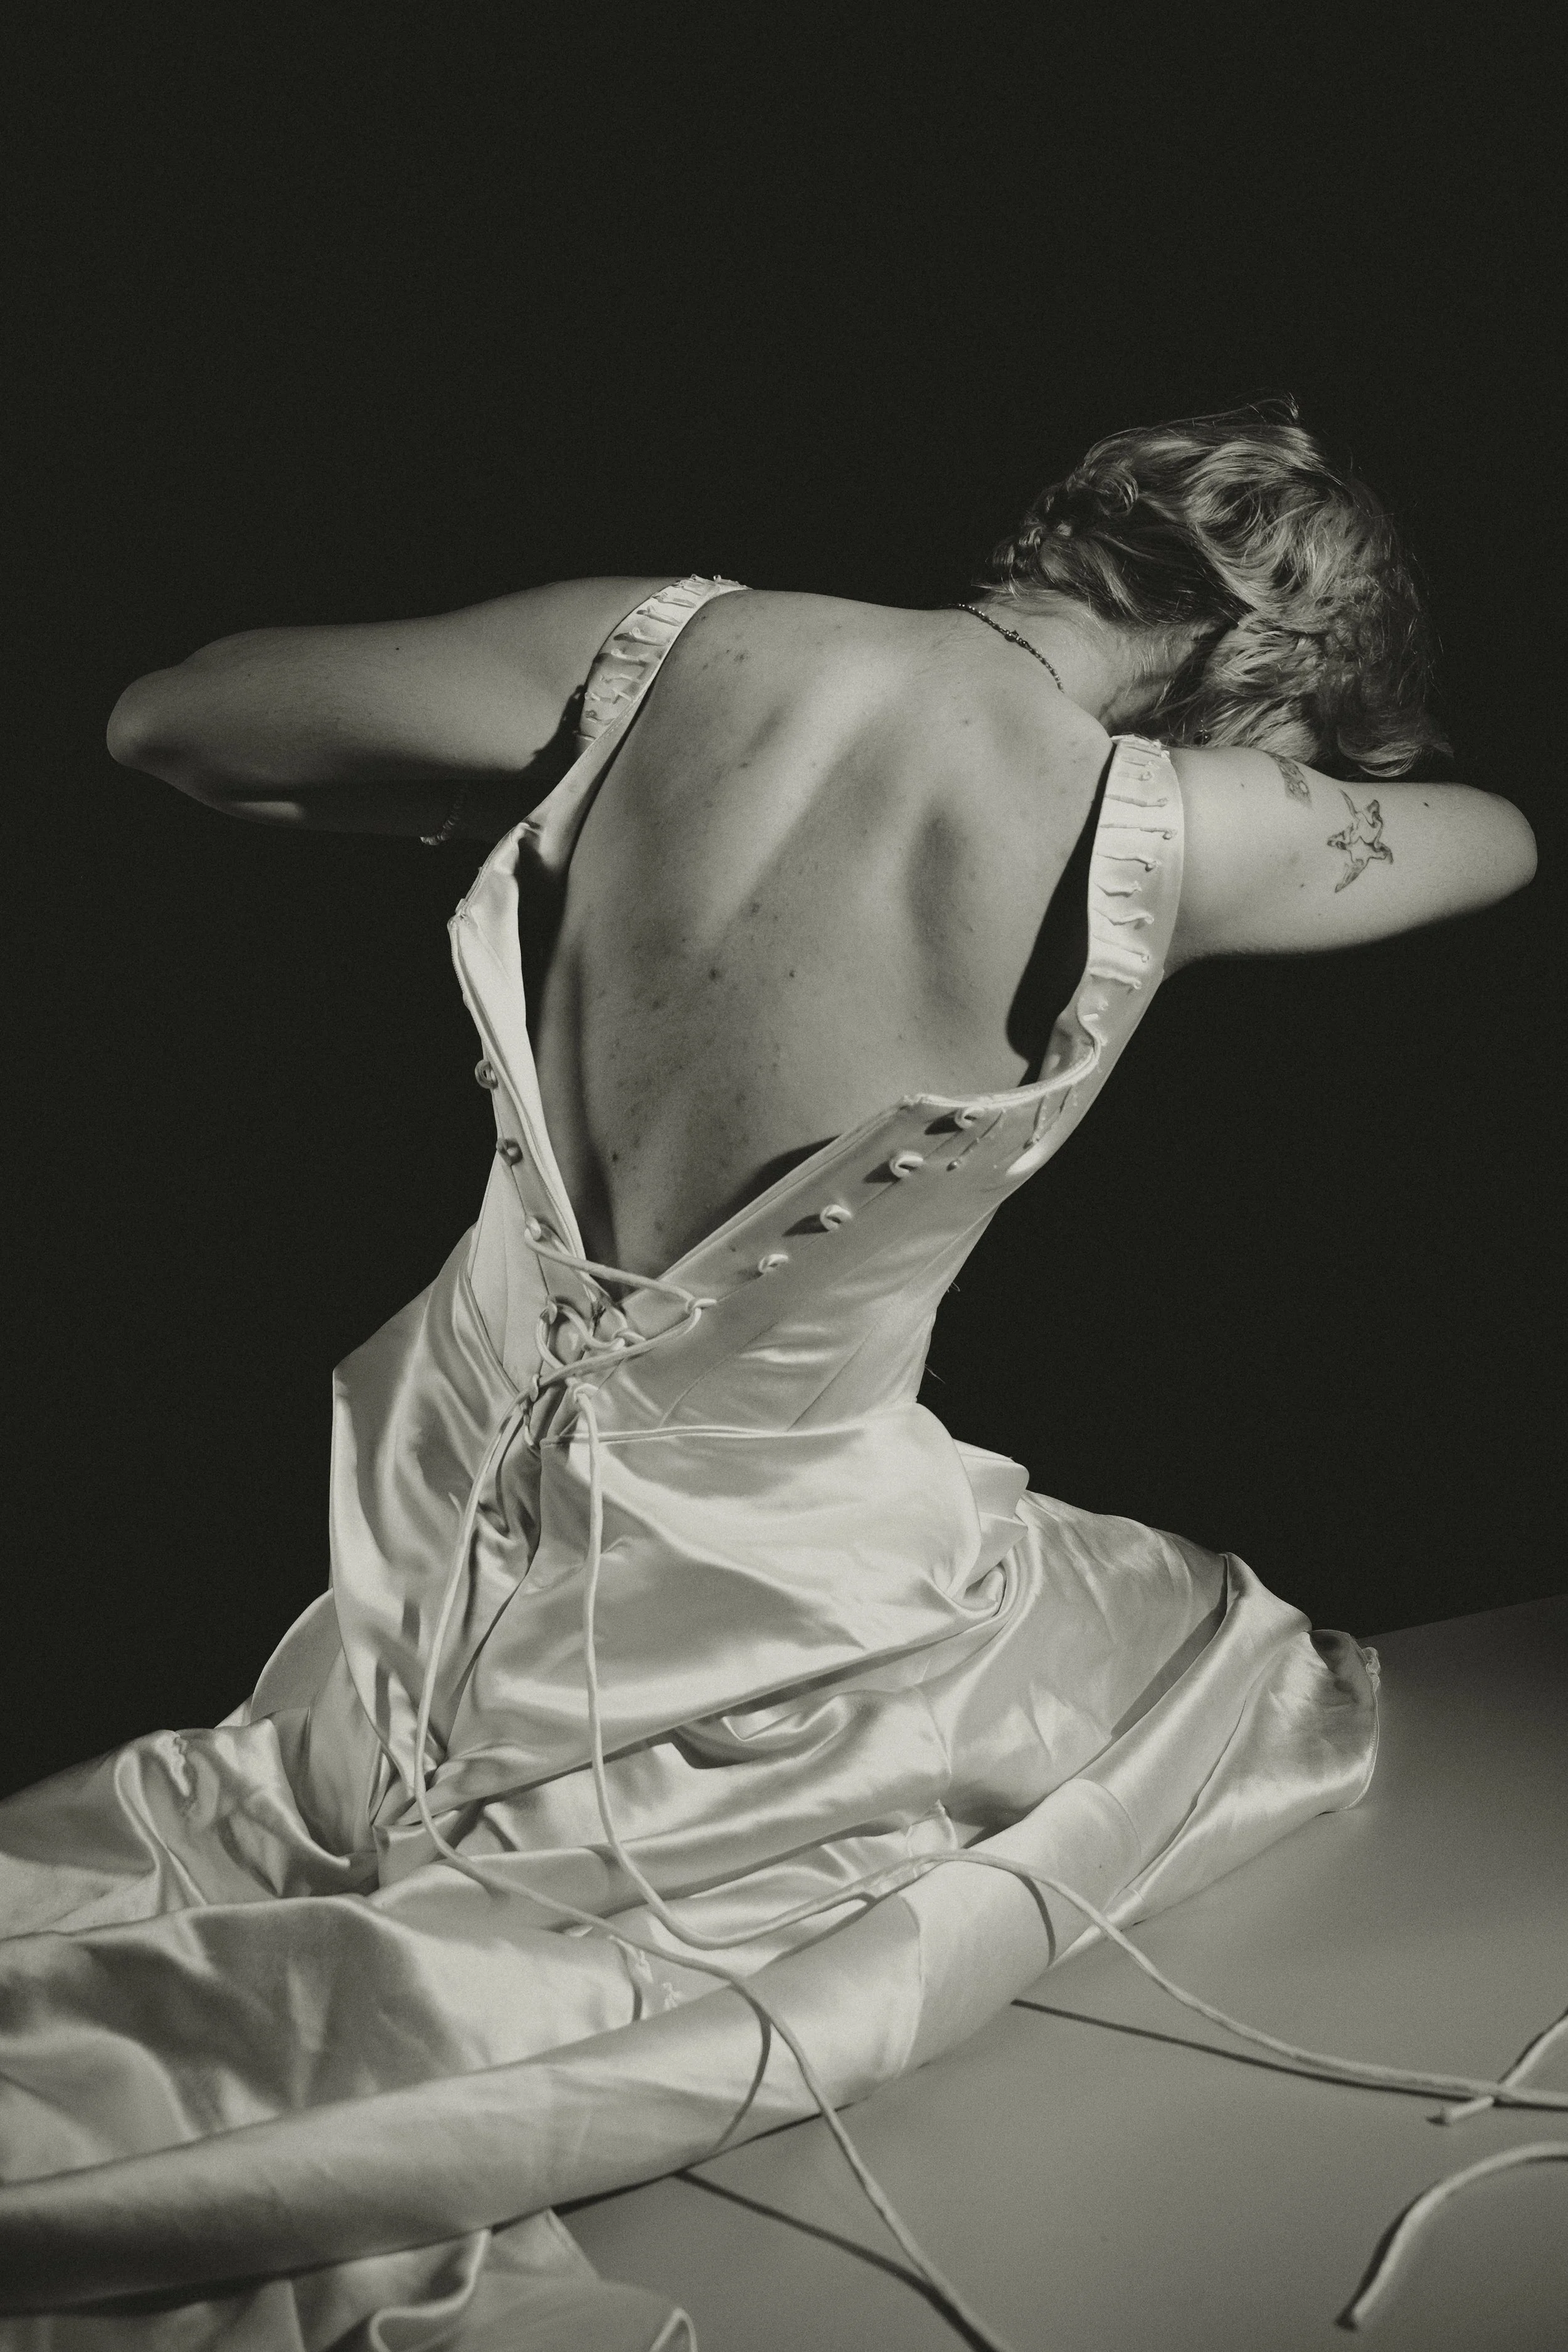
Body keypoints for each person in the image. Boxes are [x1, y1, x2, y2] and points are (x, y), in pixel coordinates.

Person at [0, 406, 1539, 2349]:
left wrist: (467, 784)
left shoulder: (655, 648)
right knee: (1187, 1657)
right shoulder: (1165, 821)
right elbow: (1496, 843)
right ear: (1260, 667)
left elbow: (173, 720)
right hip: (749, 1579)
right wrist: (1279, 770)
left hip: (422, 1508)